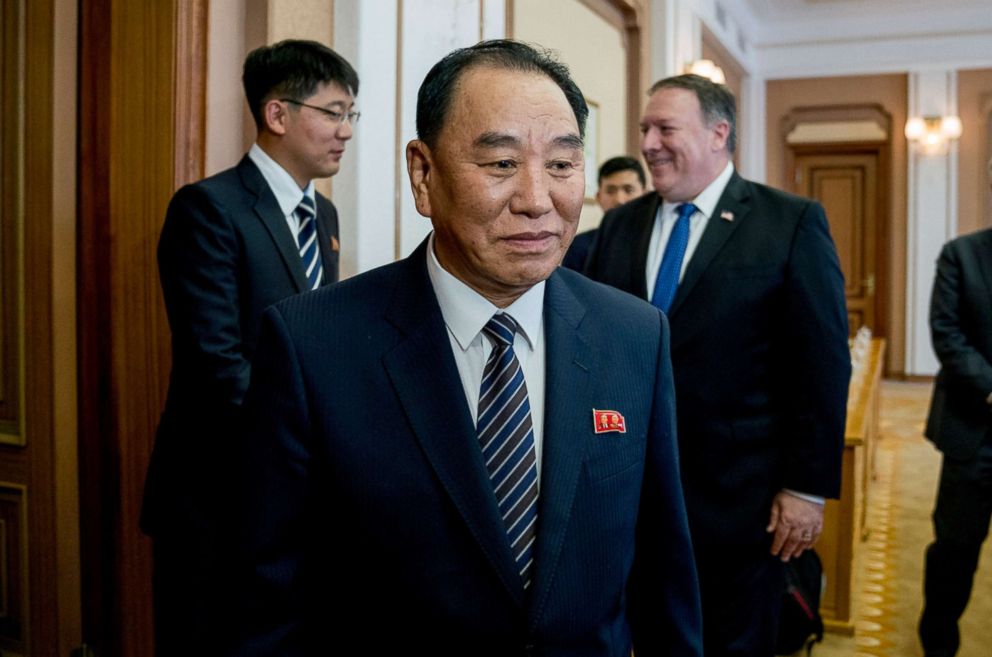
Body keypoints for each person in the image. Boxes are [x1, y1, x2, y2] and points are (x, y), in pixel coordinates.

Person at [230, 40, 702, 657]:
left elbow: (663, 581)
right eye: (501, 163)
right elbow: (266, 605)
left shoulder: (634, 335)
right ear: (423, 174)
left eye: (562, 165)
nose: (538, 199)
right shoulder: (313, 345)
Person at [584, 73, 851, 657]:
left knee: (732, 640)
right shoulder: (621, 224)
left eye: (665, 128)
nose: (649, 143)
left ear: (717, 133)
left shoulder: (789, 222)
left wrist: (806, 487)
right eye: (644, 130)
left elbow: (821, 364)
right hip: (627, 488)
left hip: (739, 500)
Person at [140, 40, 359, 655]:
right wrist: (311, 435)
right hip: (217, 486)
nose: (346, 131)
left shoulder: (325, 217)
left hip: (291, 490)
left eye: (352, 115)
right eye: (334, 112)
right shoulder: (210, 209)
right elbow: (216, 361)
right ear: (278, 114)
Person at [918, 160, 992, 657]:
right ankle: (937, 643)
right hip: (976, 434)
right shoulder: (962, 255)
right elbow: (947, 333)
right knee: (954, 554)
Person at [561, 156, 645, 271]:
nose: (620, 200)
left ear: (646, 196)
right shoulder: (579, 246)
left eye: (628, 190)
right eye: (610, 191)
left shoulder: (659, 242)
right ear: (599, 197)